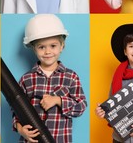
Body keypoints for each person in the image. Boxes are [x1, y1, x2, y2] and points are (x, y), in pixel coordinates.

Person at [12, 14, 86, 142]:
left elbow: (81, 106)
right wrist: (20, 129)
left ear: (62, 46)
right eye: (41, 47)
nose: (47, 52)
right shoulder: (26, 79)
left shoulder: (71, 77)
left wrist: (59, 100)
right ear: (34, 49)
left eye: (53, 46)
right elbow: (16, 109)